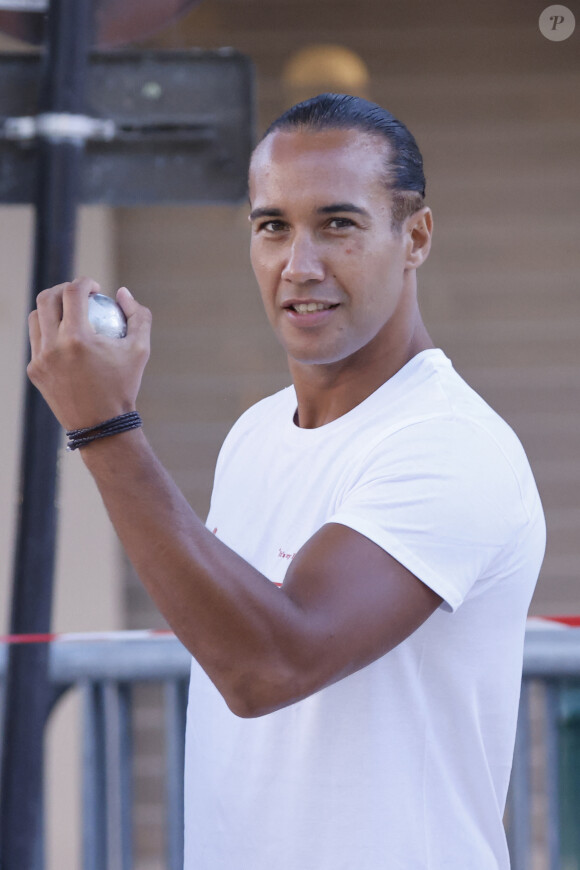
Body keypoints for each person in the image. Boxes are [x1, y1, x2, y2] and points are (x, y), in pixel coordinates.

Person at [28, 94, 545, 869]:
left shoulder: (450, 446)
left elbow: (270, 665)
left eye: (337, 224)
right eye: (273, 226)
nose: (298, 265)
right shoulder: (256, 434)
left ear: (417, 237)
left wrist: (105, 431)